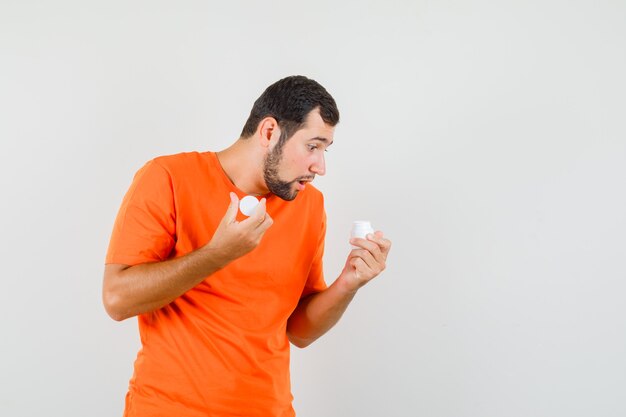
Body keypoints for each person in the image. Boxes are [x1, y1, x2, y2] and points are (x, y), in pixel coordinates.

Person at [103, 75, 392, 417]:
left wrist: (349, 282)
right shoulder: (167, 177)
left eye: (325, 150)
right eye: (312, 146)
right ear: (269, 132)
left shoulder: (309, 205)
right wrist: (217, 254)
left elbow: (298, 331)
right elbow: (118, 299)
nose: (320, 166)